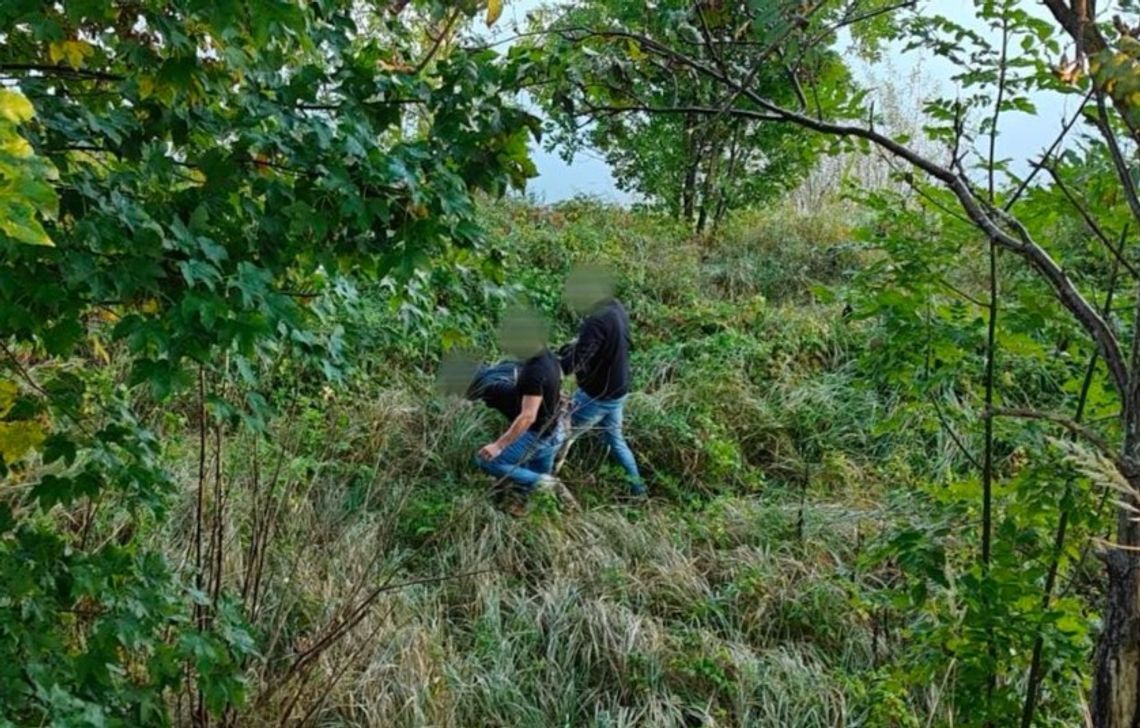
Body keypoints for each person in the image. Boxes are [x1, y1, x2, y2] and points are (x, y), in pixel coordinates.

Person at [556, 264, 646, 496]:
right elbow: (596, 345)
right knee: (616, 441)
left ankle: (540, 487)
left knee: (557, 435)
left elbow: (577, 360)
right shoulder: (615, 307)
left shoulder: (595, 321)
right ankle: (638, 490)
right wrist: (573, 347)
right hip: (619, 391)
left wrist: (553, 368)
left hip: (598, 396)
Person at [474, 307, 575, 509]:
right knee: (532, 489)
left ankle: (548, 484)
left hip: (536, 436)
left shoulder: (533, 372)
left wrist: (498, 445)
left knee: (487, 461)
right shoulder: (549, 357)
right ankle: (549, 511)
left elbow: (528, 416)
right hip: (554, 431)